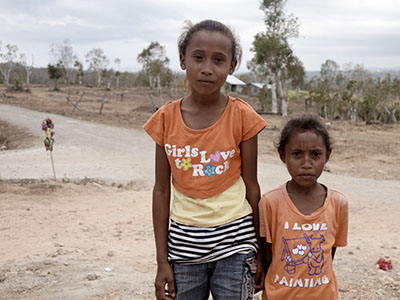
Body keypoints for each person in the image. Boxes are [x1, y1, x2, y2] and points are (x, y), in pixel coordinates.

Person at [143, 19, 267, 300]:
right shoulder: (165, 119)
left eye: (218, 60)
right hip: (184, 248)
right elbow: (161, 190)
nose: (207, 68)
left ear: (232, 66)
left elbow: (252, 187)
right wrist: (162, 261)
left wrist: (262, 252)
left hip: (236, 243)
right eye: (198, 57)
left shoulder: (242, 117)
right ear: (183, 60)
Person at [258, 114, 348, 300]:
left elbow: (328, 254)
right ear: (283, 155)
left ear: (327, 156)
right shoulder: (270, 202)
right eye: (297, 154)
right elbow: (268, 254)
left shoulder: (338, 203)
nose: (306, 164)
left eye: (315, 154)